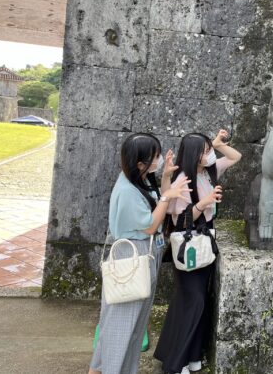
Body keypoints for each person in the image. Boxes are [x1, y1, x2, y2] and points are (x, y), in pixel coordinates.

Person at [89, 133, 191, 374]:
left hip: (141, 256)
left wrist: (165, 177)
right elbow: (150, 225)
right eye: (154, 156)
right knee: (121, 327)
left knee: (129, 324)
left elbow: (158, 205)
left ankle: (102, 369)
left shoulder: (138, 180)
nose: (158, 159)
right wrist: (168, 195)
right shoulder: (128, 190)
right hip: (131, 259)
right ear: (139, 162)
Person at [154, 129, 242, 374]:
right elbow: (179, 219)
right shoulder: (183, 178)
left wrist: (217, 144)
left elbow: (236, 157)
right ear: (194, 155)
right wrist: (205, 202)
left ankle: (191, 356)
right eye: (205, 151)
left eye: (209, 150)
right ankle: (176, 363)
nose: (210, 155)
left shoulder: (208, 172)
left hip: (204, 242)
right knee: (193, 302)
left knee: (194, 302)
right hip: (188, 243)